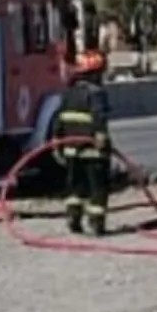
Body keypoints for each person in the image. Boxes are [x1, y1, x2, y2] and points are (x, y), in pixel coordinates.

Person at [53, 49, 112, 236]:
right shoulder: (96, 93)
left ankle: (73, 217)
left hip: (71, 150)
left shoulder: (68, 92)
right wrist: (101, 135)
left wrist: (56, 141)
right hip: (92, 150)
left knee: (74, 186)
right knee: (98, 187)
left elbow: (59, 118)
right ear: (95, 72)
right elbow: (99, 117)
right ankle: (96, 222)